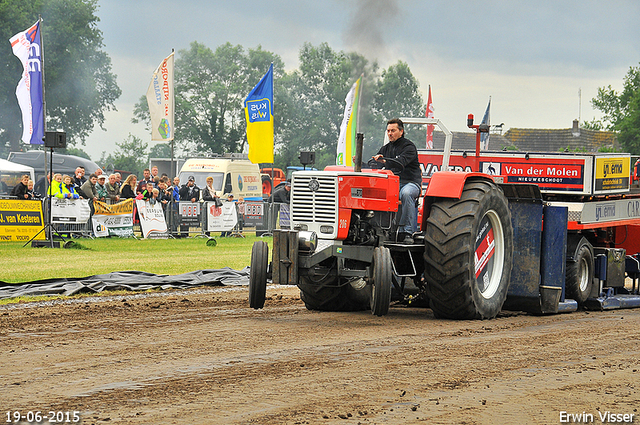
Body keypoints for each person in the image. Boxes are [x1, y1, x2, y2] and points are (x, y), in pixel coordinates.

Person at [371, 118, 422, 244]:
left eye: (393, 130)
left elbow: (401, 162)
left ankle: (408, 232)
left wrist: (384, 161)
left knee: (406, 193)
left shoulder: (409, 147)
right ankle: (378, 228)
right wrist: (362, 163)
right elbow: (375, 165)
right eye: (388, 131)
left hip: (410, 183)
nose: (390, 133)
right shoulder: (385, 148)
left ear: (401, 131)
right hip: (393, 184)